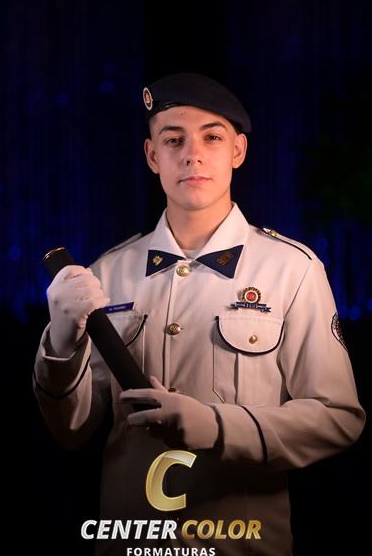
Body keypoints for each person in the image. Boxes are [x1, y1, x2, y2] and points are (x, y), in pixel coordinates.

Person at [34, 73, 365, 556]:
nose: (192, 155)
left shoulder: (291, 269)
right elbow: (71, 429)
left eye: (212, 137)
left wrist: (214, 425)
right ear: (152, 156)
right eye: (174, 140)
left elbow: (337, 418)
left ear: (238, 151)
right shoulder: (109, 271)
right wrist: (61, 341)